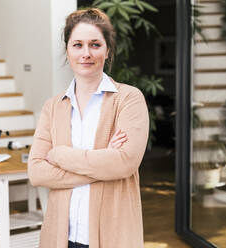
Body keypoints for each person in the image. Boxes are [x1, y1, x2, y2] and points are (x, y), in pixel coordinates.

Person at [28, 8, 149, 248]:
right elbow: (37, 172)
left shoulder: (128, 99)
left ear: (107, 50)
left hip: (113, 234)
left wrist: (59, 155)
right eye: (78, 45)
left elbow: (124, 162)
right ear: (67, 51)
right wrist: (102, 165)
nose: (86, 53)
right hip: (61, 236)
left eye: (95, 44)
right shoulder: (52, 107)